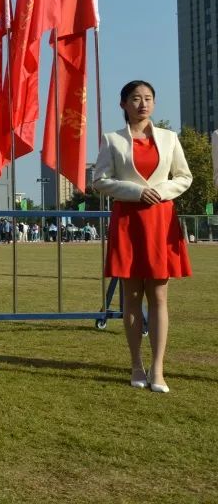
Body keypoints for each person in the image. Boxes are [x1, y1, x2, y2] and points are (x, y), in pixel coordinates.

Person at [93, 80, 192, 394]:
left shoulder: (169, 138)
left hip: (161, 220)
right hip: (128, 222)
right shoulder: (113, 140)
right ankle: (136, 364)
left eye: (148, 98)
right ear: (123, 104)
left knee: (159, 296)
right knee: (132, 296)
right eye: (135, 98)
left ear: (154, 102)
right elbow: (100, 180)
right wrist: (136, 192)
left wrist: (160, 191)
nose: (142, 104)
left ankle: (157, 368)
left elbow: (184, 177)